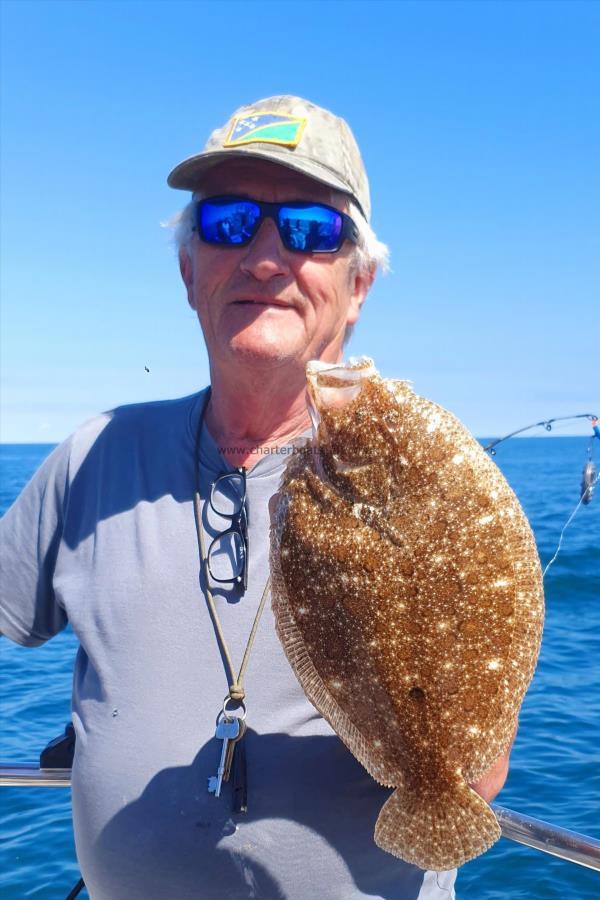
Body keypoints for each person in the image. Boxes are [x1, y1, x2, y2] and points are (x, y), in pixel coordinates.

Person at [0, 95, 511, 899]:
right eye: (229, 222)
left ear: (359, 283)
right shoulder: (93, 458)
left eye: (311, 228)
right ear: (188, 269)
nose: (267, 256)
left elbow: (477, 780)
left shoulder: (429, 487)